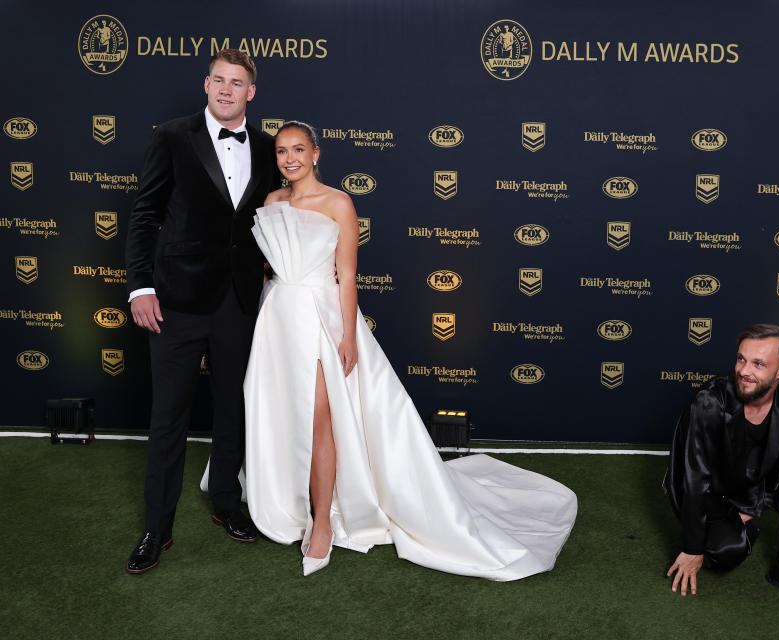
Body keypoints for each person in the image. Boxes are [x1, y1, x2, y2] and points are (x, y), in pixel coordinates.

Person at [243, 121, 578, 579]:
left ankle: (322, 523)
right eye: (282, 151)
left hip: (320, 319)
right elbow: (270, 267)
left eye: (299, 149)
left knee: (322, 420)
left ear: (316, 153)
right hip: (277, 318)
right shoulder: (272, 202)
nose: (290, 159)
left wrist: (345, 336)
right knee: (283, 413)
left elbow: (347, 275)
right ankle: (287, 499)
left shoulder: (339, 202)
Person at [124, 49, 279, 574]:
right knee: (168, 414)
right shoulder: (171, 136)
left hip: (238, 302)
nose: (227, 89)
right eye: (219, 80)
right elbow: (144, 214)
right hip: (176, 302)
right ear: (206, 84)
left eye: (237, 83)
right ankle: (156, 525)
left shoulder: (265, 146)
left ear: (250, 92)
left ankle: (228, 505)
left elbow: (278, 220)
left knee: (233, 407)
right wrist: (139, 287)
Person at [663, 324, 779, 609]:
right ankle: (738, 533)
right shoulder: (710, 402)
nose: (744, 371)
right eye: (741, 359)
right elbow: (694, 479)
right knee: (723, 554)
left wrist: (754, 507)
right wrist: (691, 548)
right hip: (716, 494)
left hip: (757, 487)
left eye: (759, 364)